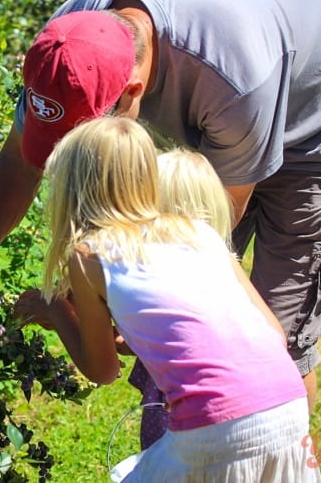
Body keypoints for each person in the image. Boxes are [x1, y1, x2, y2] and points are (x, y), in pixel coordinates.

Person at [0, 0, 321, 414]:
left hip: (315, 124)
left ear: (131, 91)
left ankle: (288, 461)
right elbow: (19, 159)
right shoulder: (67, 48)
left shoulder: (233, 76)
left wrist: (118, 289)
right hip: (225, 102)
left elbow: (209, 226)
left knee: (276, 337)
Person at [13, 117, 320, 481]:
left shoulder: (89, 255)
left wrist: (54, 309)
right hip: (288, 407)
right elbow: (274, 332)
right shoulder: (198, 231)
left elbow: (103, 370)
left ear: (72, 190)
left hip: (215, 426)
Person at [126, 147, 234, 449]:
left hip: (180, 410)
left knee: (167, 463)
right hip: (226, 409)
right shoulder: (218, 268)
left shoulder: (166, 279)